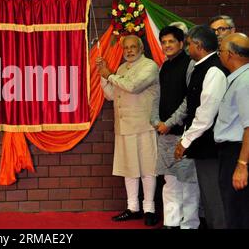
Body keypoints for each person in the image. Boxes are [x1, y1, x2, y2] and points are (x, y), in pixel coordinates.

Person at [96, 35, 159, 226]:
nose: (129, 51)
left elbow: (132, 86)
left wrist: (109, 74)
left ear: (141, 48)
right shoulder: (122, 68)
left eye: (133, 47)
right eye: (126, 48)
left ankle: (149, 209)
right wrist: (102, 74)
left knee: (148, 168)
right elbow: (110, 96)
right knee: (128, 168)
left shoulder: (150, 66)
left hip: (144, 125)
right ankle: (133, 208)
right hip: (123, 127)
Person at [174, 25, 228, 229]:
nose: (187, 49)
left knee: (214, 195)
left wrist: (185, 140)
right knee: (208, 194)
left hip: (211, 145)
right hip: (203, 144)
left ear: (199, 45)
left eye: (188, 44)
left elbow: (206, 113)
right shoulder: (202, 67)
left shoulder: (213, 69)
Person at [151, 26, 200, 229]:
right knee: (170, 181)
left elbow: (190, 101)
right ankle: (171, 223)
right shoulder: (164, 66)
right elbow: (158, 97)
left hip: (184, 135)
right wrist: (155, 120)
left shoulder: (190, 66)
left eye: (171, 41)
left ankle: (188, 224)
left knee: (188, 183)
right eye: (164, 42)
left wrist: (169, 123)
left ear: (182, 44)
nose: (167, 45)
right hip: (163, 134)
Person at [214, 33, 249, 229]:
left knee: (239, 214)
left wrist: (242, 165)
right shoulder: (237, 79)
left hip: (238, 153)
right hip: (232, 153)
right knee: (234, 210)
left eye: (220, 51)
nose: (219, 55)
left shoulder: (245, 82)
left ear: (230, 54)